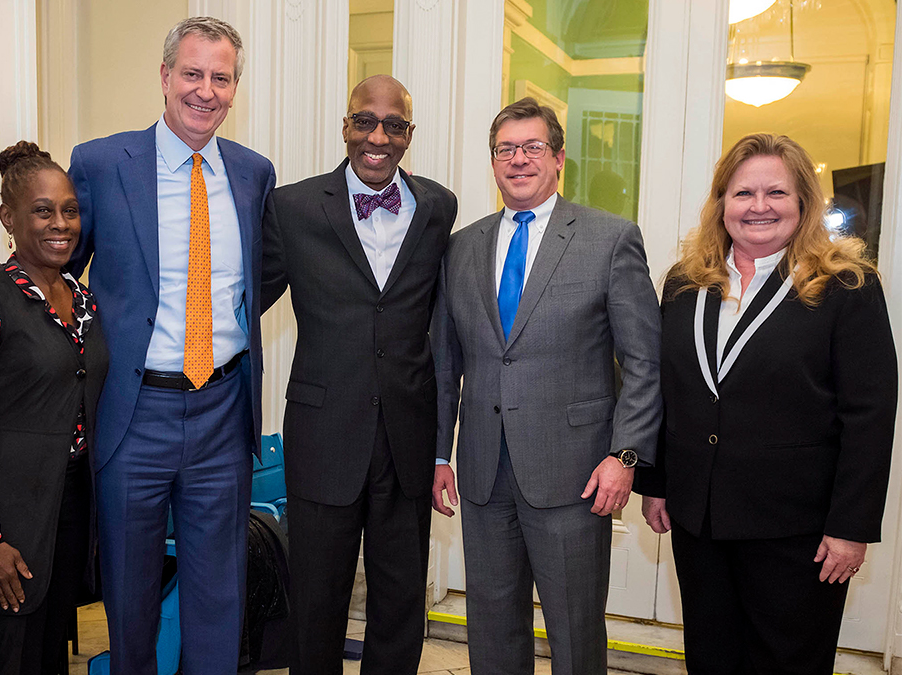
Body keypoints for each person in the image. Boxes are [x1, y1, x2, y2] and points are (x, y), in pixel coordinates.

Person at [0, 17, 275, 675]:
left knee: (220, 590)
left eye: (221, 78)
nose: (206, 90)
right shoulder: (103, 162)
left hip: (222, 406)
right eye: (193, 73)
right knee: (127, 590)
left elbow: (256, 278)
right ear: (165, 77)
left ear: (234, 88)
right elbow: (63, 261)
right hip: (133, 412)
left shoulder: (252, 173)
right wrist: (7, 281)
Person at [636, 133, 897, 674]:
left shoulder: (846, 285)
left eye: (776, 192)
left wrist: (851, 526)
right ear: (721, 204)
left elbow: (870, 414)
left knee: (788, 662)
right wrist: (658, 485)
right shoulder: (687, 284)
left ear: (803, 202)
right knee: (710, 657)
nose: (758, 207)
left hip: (798, 530)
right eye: (742, 193)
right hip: (699, 520)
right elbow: (673, 390)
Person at [430, 97, 661, 674]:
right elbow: (445, 362)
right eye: (506, 149)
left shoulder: (609, 240)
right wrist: (440, 453)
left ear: (559, 159)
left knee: (575, 631)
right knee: (492, 627)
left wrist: (624, 454)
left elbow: (644, 362)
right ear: (493, 163)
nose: (519, 159)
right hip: (484, 472)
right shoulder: (461, 247)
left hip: (576, 474)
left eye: (533, 147)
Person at [260, 74, 457, 675]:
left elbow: (445, 322)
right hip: (323, 433)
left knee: (400, 601)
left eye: (393, 125)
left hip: (407, 434)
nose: (379, 136)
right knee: (317, 597)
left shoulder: (438, 207)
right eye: (365, 122)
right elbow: (237, 296)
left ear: (409, 135)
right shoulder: (292, 207)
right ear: (345, 127)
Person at [0, 141, 108, 675]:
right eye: (42, 211)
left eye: (69, 210)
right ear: (8, 218)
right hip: (8, 521)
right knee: (12, 661)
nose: (60, 224)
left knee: (50, 658)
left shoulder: (83, 302)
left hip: (71, 510)